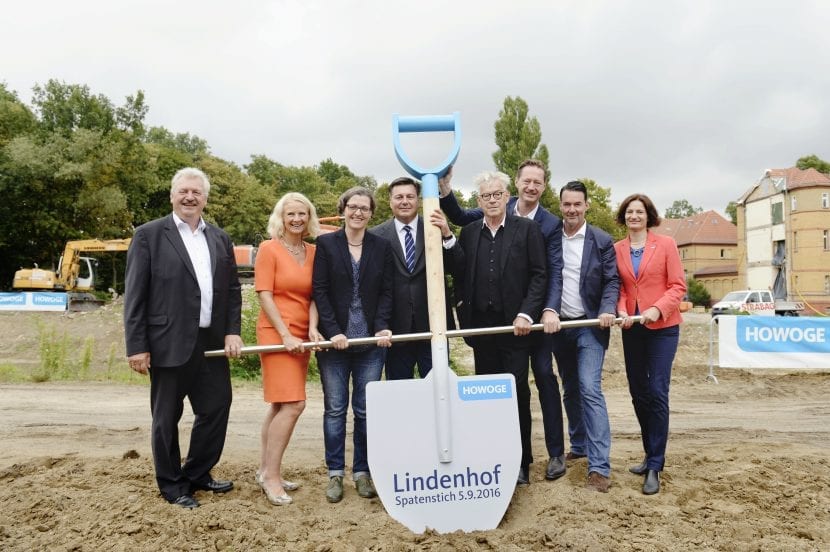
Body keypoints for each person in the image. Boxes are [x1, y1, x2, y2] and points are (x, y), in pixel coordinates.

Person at [439, 160, 567, 481]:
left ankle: (521, 461)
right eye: (486, 196)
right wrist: (446, 236)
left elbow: (540, 276)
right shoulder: (468, 232)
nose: (492, 200)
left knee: (516, 393)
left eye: (498, 194)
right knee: (487, 395)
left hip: (516, 329)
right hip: (482, 330)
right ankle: (493, 457)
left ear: (507, 196)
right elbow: (458, 269)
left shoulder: (528, 230)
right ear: (479, 200)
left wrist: (527, 313)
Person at [124, 167, 243, 509]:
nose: (190, 197)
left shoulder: (220, 238)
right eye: (184, 191)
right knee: (166, 419)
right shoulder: (149, 235)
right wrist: (137, 346)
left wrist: (233, 330)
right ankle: (173, 486)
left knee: (217, 407)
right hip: (167, 343)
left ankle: (197, 473)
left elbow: (232, 290)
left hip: (211, 343)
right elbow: (135, 295)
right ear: (172, 195)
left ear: (205, 198)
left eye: (197, 192)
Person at [312, 187, 394, 503]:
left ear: (371, 213)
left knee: (364, 410)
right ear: (343, 209)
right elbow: (319, 290)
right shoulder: (326, 244)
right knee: (335, 409)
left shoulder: (381, 246)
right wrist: (332, 331)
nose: (358, 212)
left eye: (364, 208)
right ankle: (335, 474)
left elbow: (387, 291)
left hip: (370, 344)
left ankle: (362, 472)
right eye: (352, 206)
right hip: (336, 344)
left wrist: (383, 326)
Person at [254, 192, 324, 506]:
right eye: (290, 214)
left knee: (280, 404)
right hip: (276, 332)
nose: (296, 219)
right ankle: (271, 477)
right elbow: (264, 294)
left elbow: (314, 296)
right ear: (280, 218)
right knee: (294, 404)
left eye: (302, 214)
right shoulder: (269, 249)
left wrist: (311, 328)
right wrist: (283, 334)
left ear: (309, 218)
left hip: (301, 334)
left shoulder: (312, 251)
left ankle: (266, 470)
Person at [614, 194, 686, 495]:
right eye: (629, 212)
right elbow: (616, 286)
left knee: (657, 391)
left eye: (639, 211)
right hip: (632, 328)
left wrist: (657, 309)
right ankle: (648, 453)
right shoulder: (616, 248)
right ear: (624, 217)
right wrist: (620, 310)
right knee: (638, 393)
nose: (634, 216)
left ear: (648, 216)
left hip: (662, 328)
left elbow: (678, 285)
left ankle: (656, 464)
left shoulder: (666, 244)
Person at [553, 180, 619, 493]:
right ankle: (578, 444)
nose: (572, 210)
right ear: (560, 205)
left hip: (591, 325)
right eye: (567, 204)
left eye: (577, 204)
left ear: (586, 205)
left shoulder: (602, 240)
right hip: (559, 326)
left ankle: (599, 468)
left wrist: (607, 309)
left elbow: (611, 282)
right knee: (569, 388)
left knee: (589, 387)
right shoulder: (549, 237)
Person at [370, 176, 453, 380]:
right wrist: (379, 324)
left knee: (439, 389)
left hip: (434, 327)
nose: (404, 201)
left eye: (410, 196)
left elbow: (457, 266)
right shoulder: (375, 236)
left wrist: (447, 234)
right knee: (399, 392)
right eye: (399, 197)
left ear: (419, 200)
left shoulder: (435, 227)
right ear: (390, 201)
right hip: (395, 330)